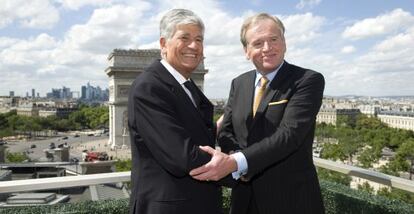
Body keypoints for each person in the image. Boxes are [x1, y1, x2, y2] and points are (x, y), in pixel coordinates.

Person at [190, 13, 325, 214]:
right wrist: (235, 156)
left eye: (273, 39)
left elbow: (289, 135)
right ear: (246, 51)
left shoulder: (307, 80)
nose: (267, 48)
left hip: (291, 199)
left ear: (284, 42)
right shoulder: (239, 83)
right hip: (244, 199)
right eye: (258, 43)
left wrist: (236, 162)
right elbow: (226, 130)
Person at [128, 9, 222, 214]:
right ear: (164, 44)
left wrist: (217, 128)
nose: (194, 46)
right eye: (184, 38)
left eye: (199, 39)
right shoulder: (149, 88)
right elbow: (183, 156)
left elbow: (192, 134)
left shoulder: (185, 86)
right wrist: (237, 165)